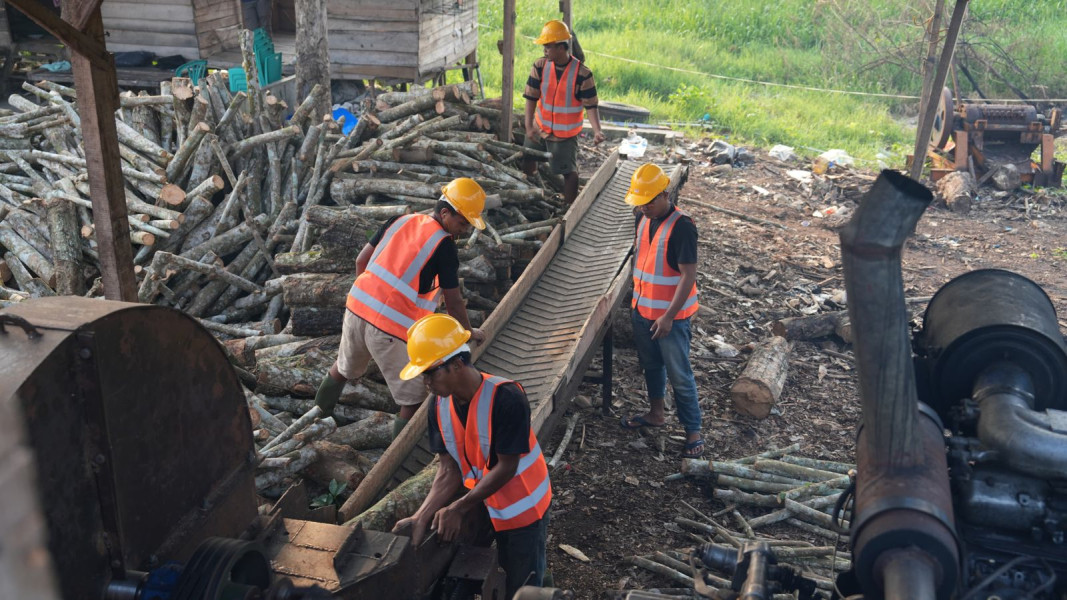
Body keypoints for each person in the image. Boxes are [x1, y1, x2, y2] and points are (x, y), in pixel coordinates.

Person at [312, 178, 489, 438]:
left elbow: (361, 261)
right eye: (462, 223)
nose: (463, 230)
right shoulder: (444, 245)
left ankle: (313, 423)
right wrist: (468, 332)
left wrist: (368, 298)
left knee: (342, 369)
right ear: (444, 213)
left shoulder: (400, 220)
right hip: (390, 328)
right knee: (413, 398)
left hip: (356, 309)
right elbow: (453, 300)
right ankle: (398, 456)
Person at [392, 314, 551, 599]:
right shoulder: (438, 406)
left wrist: (458, 508)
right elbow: (448, 470)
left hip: (523, 507)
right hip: (484, 501)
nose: (425, 382)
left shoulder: (507, 398)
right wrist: (421, 516)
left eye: (430, 372)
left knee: (524, 585)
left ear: (456, 364)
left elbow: (507, 467)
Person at [619, 164, 704, 458]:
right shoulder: (642, 218)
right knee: (652, 365)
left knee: (680, 374)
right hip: (643, 310)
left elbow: (688, 275)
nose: (644, 207)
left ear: (665, 194)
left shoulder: (682, 226)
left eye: (649, 202)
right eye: (640, 202)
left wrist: (668, 316)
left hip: (671, 319)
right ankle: (656, 414)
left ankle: (693, 431)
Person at [523, 19, 606, 204]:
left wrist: (597, 130)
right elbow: (530, 97)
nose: (545, 50)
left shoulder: (583, 74)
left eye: (548, 46)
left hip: (564, 135)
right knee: (528, 157)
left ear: (561, 47)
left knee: (568, 172)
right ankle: (529, 193)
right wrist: (528, 126)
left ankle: (569, 208)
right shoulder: (540, 66)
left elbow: (591, 105)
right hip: (540, 127)